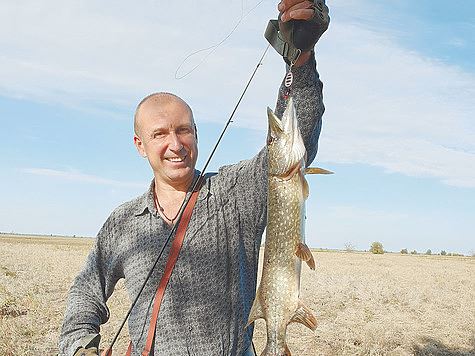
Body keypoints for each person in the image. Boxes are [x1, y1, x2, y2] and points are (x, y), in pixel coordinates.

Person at [59, 1, 329, 355]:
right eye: (160, 134)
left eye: (184, 130)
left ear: (197, 135)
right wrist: (80, 347)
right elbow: (85, 291)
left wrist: (301, 57)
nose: (175, 144)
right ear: (140, 145)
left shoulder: (235, 194)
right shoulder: (122, 223)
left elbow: (294, 142)